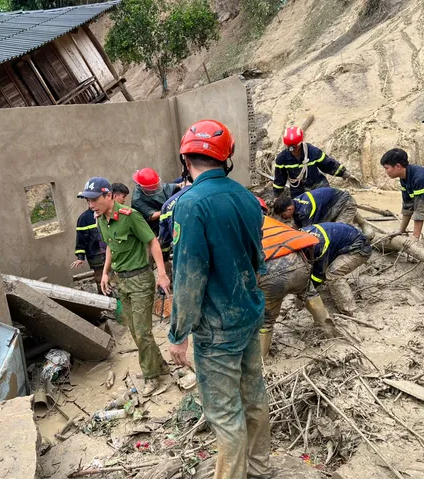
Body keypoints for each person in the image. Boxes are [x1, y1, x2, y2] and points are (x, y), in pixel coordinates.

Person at [168, 120, 272, 479]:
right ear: (226, 157)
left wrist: (178, 334)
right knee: (254, 397)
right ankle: (260, 468)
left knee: (225, 414)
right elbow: (259, 257)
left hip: (217, 329)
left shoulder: (189, 204)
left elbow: (188, 277)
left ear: (186, 158)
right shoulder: (247, 197)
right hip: (248, 314)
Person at [78, 177, 171, 396]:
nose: (90, 205)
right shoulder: (101, 219)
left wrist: (162, 274)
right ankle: (160, 366)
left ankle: (151, 377)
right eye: (87, 200)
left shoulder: (131, 217)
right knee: (135, 330)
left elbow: (152, 242)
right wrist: (105, 273)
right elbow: (110, 246)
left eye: (94, 199)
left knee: (142, 331)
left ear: (108, 196)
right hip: (122, 281)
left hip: (140, 279)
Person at [257, 215, 337, 358]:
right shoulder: (271, 221)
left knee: (266, 321)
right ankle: (331, 334)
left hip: (270, 276)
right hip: (299, 267)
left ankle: (261, 360)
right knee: (310, 294)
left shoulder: (240, 227)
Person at [302, 222, 372, 315]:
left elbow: (319, 273)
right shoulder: (300, 233)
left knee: (333, 274)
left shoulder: (317, 246)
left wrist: (306, 291)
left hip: (359, 248)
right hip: (343, 240)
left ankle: (350, 310)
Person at [273, 126, 361, 198]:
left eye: (295, 147)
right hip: (298, 190)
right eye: (290, 148)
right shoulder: (282, 159)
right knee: (301, 211)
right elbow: (279, 180)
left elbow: (328, 164)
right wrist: (277, 196)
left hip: (317, 185)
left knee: (327, 204)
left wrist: (345, 174)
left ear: (300, 143)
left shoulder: (312, 152)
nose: (293, 150)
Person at [273, 186, 357, 228]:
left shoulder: (305, 211)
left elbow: (308, 231)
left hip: (346, 203)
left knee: (339, 230)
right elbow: (297, 225)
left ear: (289, 209)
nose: (283, 218)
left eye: (283, 215)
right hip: (333, 203)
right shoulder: (296, 202)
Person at [131, 168, 180, 234]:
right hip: (154, 225)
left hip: (167, 214)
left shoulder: (157, 185)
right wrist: (168, 209)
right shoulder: (137, 199)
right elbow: (151, 216)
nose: (155, 189)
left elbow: (167, 187)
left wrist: (181, 185)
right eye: (151, 188)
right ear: (142, 186)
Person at [71, 203, 106, 294]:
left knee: (112, 276)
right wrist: (80, 257)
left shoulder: (106, 213)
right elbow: (81, 239)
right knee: (100, 277)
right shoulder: (84, 218)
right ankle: (105, 298)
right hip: (95, 254)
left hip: (110, 251)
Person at [159, 179, 192, 273]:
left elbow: (164, 240)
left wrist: (165, 260)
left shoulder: (167, 205)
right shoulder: (215, 195)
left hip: (184, 257)